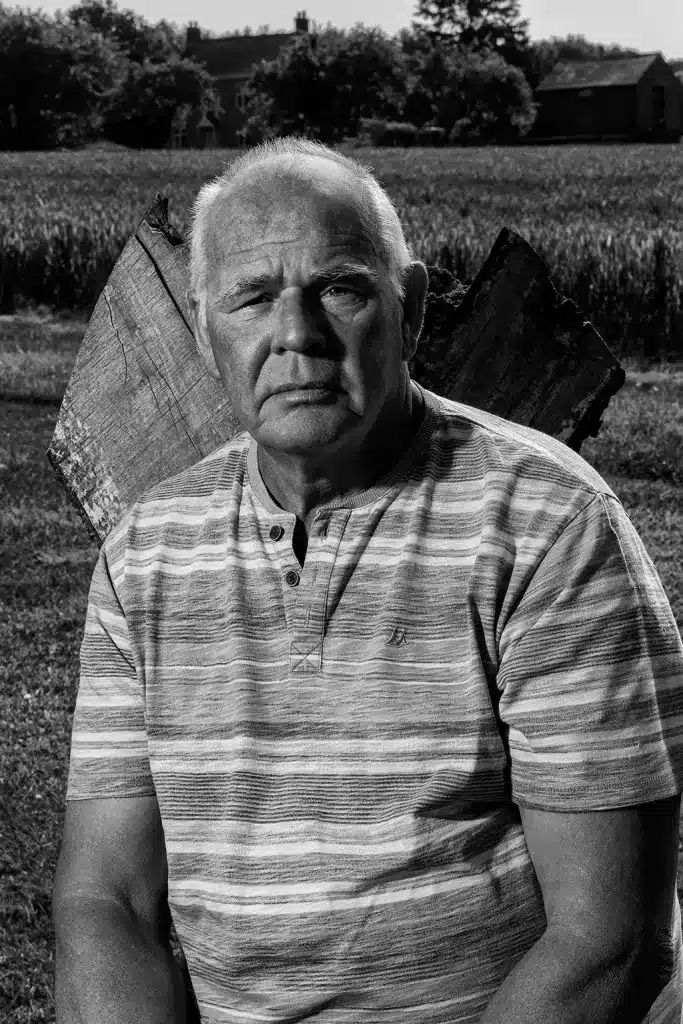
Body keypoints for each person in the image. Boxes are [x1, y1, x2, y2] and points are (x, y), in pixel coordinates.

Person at [52, 137, 683, 1024]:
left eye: (339, 288)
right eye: (252, 298)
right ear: (203, 333)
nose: (296, 335)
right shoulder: (143, 553)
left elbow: (608, 939)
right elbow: (107, 901)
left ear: (410, 309)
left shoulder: (550, 527)